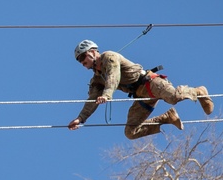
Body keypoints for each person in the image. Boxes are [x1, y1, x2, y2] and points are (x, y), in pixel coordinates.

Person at [67, 40, 214, 139]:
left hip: (150, 83)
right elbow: (92, 100)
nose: (82, 62)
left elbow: (114, 75)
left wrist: (107, 94)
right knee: (130, 132)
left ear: (93, 52)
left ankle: (199, 91)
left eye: (83, 57)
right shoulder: (97, 79)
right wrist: (80, 119)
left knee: (174, 97)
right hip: (141, 96)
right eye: (79, 60)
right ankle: (168, 118)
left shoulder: (109, 57)